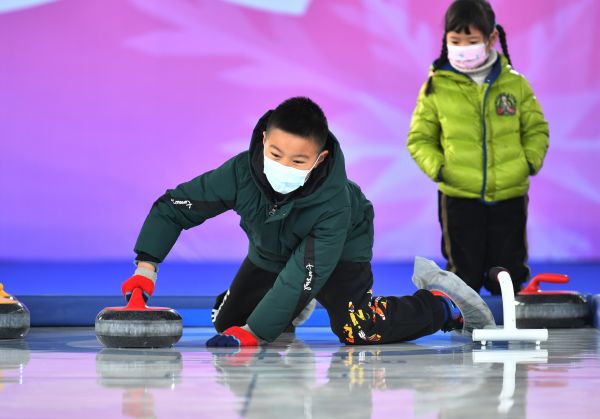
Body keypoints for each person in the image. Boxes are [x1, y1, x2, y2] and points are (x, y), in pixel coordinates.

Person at [122, 97, 492, 347]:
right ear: (264, 139)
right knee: (226, 321)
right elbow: (174, 207)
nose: (283, 166)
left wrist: (253, 334)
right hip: (272, 250)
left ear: (320, 158)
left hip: (338, 254)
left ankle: (437, 305)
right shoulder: (240, 172)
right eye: (275, 153)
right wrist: (146, 267)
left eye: (298, 161)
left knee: (357, 328)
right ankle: (289, 307)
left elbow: (304, 271)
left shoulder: (333, 203)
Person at [407, 0, 549, 294]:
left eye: (471, 41)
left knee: (509, 273)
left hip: (510, 193)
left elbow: (536, 129)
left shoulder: (515, 85)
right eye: (455, 40)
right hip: (459, 195)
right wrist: (441, 169)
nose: (463, 47)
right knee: (463, 274)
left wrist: (529, 162)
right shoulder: (436, 86)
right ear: (445, 39)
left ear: (491, 38)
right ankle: (465, 329)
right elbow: (419, 139)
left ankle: (510, 330)